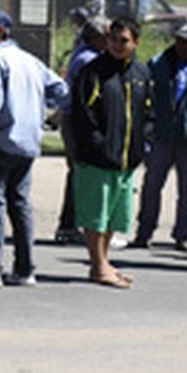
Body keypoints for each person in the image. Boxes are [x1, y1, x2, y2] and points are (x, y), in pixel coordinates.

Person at [0, 10, 66, 289]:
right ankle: (24, 269)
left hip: (0, 141)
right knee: (20, 206)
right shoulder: (31, 61)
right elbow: (61, 90)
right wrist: (41, 114)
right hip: (28, 143)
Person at [70, 18, 150, 289]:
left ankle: (103, 262)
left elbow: (147, 113)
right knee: (96, 214)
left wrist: (141, 145)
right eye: (113, 39)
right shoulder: (93, 72)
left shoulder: (141, 74)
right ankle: (98, 265)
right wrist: (99, 145)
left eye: (124, 40)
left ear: (135, 43)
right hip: (98, 160)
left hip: (127, 161)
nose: (117, 45)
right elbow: (83, 115)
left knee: (115, 215)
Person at [130, 21, 187, 253]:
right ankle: (144, 232)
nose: (180, 45)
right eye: (178, 40)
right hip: (162, 135)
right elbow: (145, 95)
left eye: (186, 41)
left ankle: (183, 235)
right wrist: (148, 124)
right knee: (151, 185)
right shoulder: (159, 64)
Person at [54, 18, 109, 245]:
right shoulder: (89, 59)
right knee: (81, 172)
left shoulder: (85, 55)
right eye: (106, 36)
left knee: (80, 172)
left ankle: (74, 225)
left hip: (74, 119)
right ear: (94, 37)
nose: (109, 41)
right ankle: (70, 226)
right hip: (77, 121)